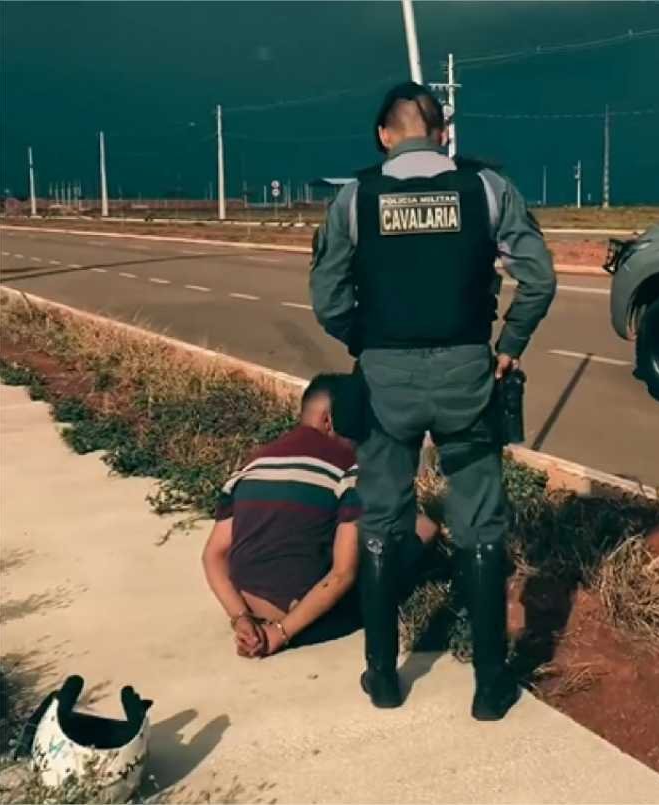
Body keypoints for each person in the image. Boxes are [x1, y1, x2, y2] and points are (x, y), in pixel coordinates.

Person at [310, 82, 556, 720]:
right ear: (443, 132)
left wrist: (366, 341)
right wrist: (511, 343)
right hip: (468, 376)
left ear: (384, 136)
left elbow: (328, 298)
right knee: (479, 524)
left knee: (383, 520)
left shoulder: (354, 198)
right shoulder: (488, 189)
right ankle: (489, 687)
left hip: (385, 379)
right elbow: (539, 278)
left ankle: (382, 676)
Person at [202, 373, 438, 658]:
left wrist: (240, 617)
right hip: (303, 616)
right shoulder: (350, 471)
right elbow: (342, 575)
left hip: (246, 601)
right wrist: (280, 633)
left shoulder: (253, 464)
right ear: (329, 419)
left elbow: (213, 556)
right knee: (423, 529)